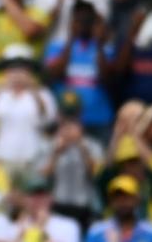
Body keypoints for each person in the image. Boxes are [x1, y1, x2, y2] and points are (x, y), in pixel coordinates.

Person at [0, 43, 57, 175]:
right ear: (4, 70)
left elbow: (49, 121)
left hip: (32, 158)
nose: (17, 73)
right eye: (12, 68)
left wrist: (33, 90)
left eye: (22, 68)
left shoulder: (42, 93)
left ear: (30, 71)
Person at [44, 0, 115, 142]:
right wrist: (71, 38)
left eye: (88, 20)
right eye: (79, 20)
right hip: (66, 119)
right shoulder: (56, 46)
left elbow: (107, 79)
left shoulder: (106, 48)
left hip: (98, 119)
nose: (83, 24)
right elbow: (54, 74)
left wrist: (99, 43)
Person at [35, 91, 104, 231]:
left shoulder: (93, 145)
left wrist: (81, 146)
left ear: (80, 116)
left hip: (85, 207)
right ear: (59, 116)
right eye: (66, 116)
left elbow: (97, 175)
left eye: (73, 117)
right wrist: (56, 153)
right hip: (58, 206)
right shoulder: (48, 144)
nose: (69, 122)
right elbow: (41, 178)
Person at [86, 175, 152, 242]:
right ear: (110, 201)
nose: (122, 202)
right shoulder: (96, 233)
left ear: (137, 200)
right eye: (117, 198)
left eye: (127, 197)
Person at [14, 174, 81, 242]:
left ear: (51, 198)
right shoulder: (16, 226)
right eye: (32, 195)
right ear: (24, 199)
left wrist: (40, 228)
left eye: (42, 195)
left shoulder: (68, 225)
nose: (37, 200)